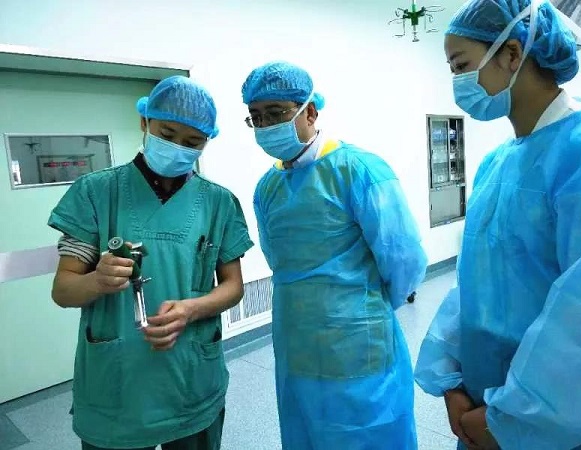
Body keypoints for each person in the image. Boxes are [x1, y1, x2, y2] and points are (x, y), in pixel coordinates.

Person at [413, 1, 581, 449]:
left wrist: (515, 417)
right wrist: (453, 378)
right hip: (482, 402)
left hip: (554, 421)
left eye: (461, 66)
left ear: (512, 54)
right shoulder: (497, 163)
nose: (457, 82)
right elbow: (472, 282)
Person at [48, 75, 254, 450]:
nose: (177, 148)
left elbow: (233, 286)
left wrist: (191, 309)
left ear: (207, 141)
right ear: (145, 122)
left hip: (191, 378)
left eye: (192, 142)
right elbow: (63, 291)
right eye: (167, 134)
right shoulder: (96, 192)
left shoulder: (219, 202)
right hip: (118, 387)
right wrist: (97, 280)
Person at [241, 61, 428, 450]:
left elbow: (405, 259)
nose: (265, 126)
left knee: (369, 435)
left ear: (309, 112)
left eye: (275, 113)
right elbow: (278, 260)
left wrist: (361, 309)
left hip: (359, 341)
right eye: (256, 117)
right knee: (305, 431)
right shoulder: (268, 187)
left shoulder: (359, 170)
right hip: (296, 339)